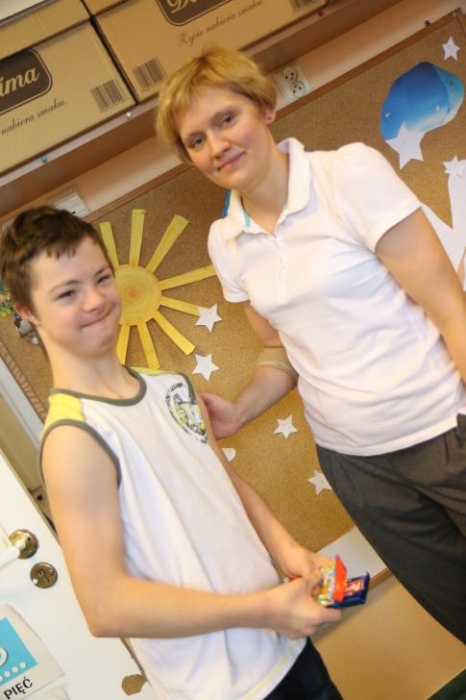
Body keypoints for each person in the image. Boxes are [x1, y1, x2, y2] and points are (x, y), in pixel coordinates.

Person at [156, 46, 466, 644]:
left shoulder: (346, 175)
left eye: (226, 119)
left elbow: (450, 307)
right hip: (358, 466)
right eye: (195, 140)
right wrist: (241, 409)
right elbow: (283, 352)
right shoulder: (227, 242)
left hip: (444, 427)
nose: (216, 146)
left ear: (265, 108)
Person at [0, 205, 344, 699]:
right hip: (218, 688)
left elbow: (228, 487)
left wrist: (291, 554)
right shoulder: (75, 438)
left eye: (101, 278)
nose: (95, 300)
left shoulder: (174, 388)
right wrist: (263, 609)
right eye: (67, 293)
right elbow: (106, 607)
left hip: (286, 650)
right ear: (28, 311)